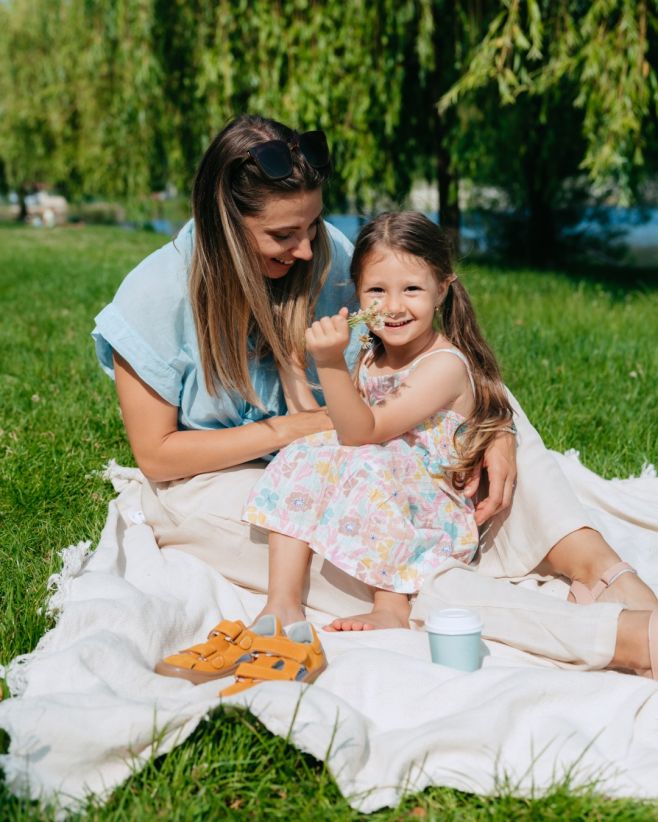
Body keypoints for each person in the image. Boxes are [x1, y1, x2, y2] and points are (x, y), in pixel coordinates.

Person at [92, 114, 658, 680]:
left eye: (312, 226)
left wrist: (496, 428)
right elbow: (158, 455)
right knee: (387, 550)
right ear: (225, 226)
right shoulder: (155, 295)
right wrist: (292, 431)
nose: (309, 250)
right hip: (231, 477)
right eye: (283, 236)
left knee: (490, 415)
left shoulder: (329, 256)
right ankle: (611, 637)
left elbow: (420, 348)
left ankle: (609, 574)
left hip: (359, 446)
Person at [243, 211, 515, 631]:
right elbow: (328, 420)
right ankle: (281, 601)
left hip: (430, 503)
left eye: (411, 289)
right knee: (303, 453)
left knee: (373, 463)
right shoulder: (371, 353)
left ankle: (391, 608)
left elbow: (362, 432)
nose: (392, 306)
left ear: (441, 289)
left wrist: (330, 362)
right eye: (376, 290)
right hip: (381, 475)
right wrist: (294, 361)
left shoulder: (443, 365)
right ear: (357, 292)